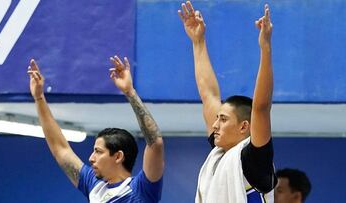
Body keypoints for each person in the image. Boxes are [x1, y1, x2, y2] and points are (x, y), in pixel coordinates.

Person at [27, 56, 164, 202]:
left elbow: (155, 143)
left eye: (98, 152)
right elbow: (61, 149)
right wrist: (39, 98)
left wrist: (130, 92)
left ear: (118, 156)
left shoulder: (142, 189)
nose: (91, 158)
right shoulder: (94, 186)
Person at [178, 1, 276, 202]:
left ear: (244, 127)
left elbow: (261, 107)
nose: (214, 124)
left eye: (222, 119)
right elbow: (209, 95)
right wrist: (198, 42)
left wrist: (265, 48)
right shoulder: (218, 158)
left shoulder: (254, 160)